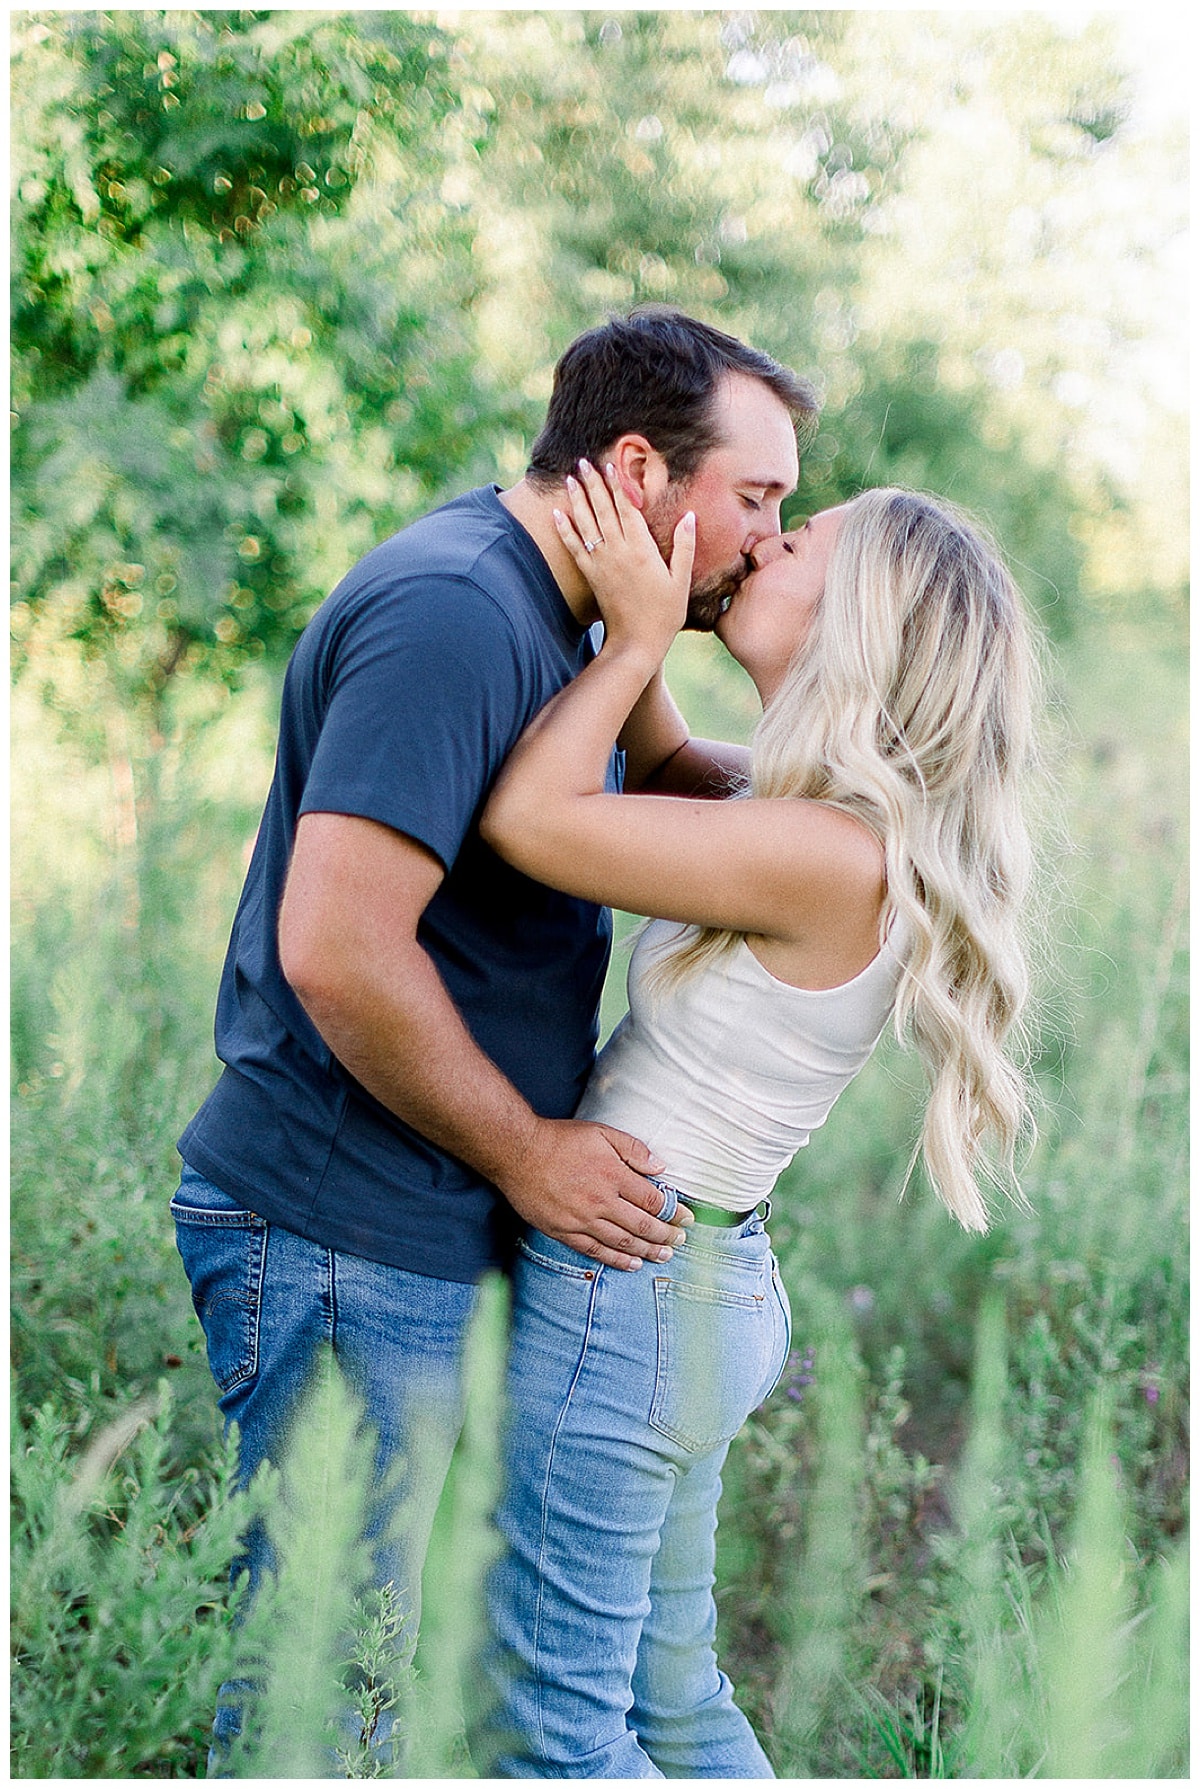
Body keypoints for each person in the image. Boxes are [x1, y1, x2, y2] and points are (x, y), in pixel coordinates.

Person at [169, 307, 818, 1766]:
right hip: (343, 1220)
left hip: (431, 1213)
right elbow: (334, 947)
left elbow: (664, 778)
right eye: (757, 498)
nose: (769, 541)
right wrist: (529, 1154)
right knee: (321, 1688)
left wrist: (861, 817)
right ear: (642, 465)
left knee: (412, 1676)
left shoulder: (583, 604)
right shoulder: (457, 611)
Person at [470, 460, 1042, 1777]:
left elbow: (530, 818)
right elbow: (661, 762)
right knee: (672, 1698)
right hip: (692, 1278)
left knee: (553, 1732)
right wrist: (646, 610)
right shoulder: (815, 819)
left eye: (798, 545)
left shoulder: (826, 853)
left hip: (628, 1289)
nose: (762, 545)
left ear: (857, 630)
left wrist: (637, 637)